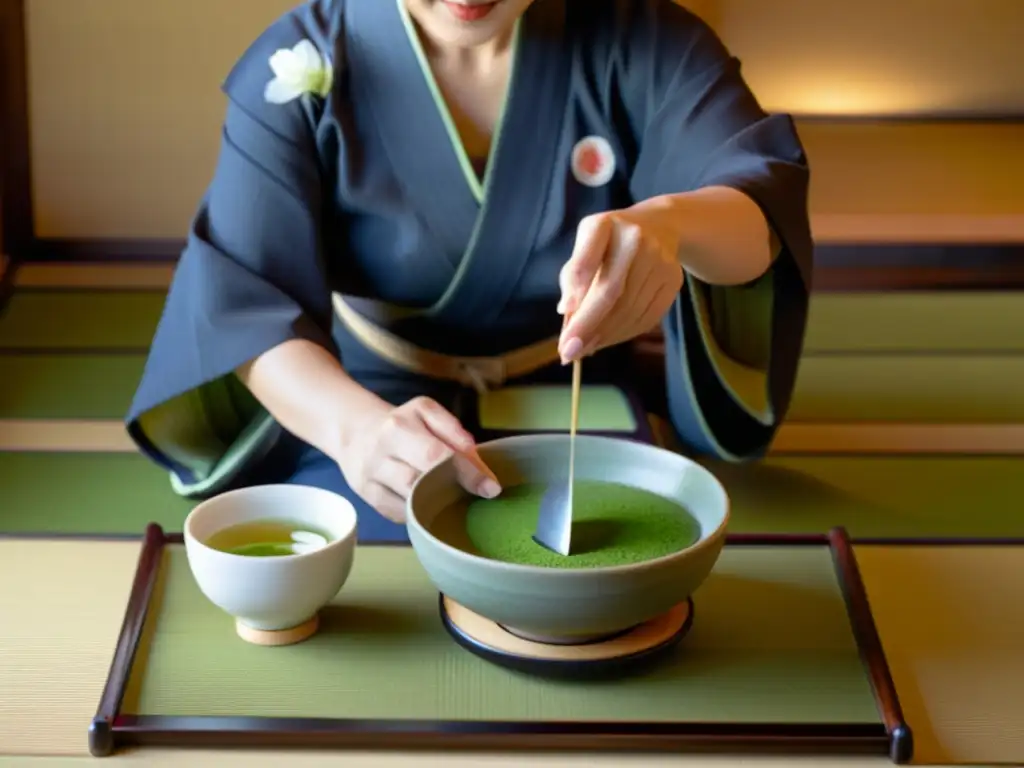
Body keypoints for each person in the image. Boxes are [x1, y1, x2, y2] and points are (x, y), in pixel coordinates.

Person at [126, 0, 813, 542]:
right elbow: (239, 297)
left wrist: (673, 224)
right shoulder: (299, 60)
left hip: (574, 388)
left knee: (626, 562)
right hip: (367, 397)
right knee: (362, 580)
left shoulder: (643, 40)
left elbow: (758, 205)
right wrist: (353, 431)